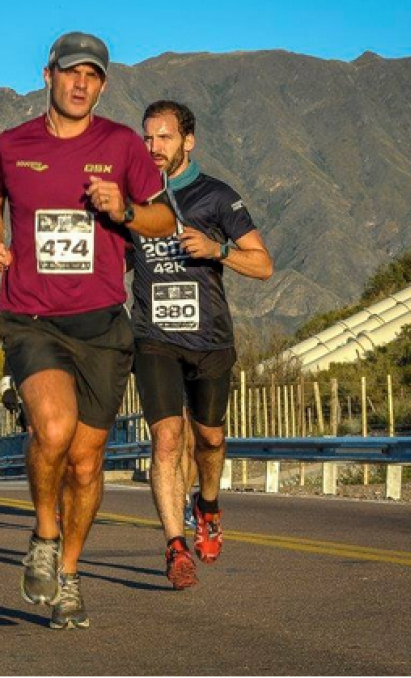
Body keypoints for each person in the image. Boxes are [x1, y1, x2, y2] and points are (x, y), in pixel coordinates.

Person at [0, 32, 175, 629]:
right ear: (48, 76)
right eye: (70, 72)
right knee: (53, 430)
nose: (80, 83)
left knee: (87, 465)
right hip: (32, 318)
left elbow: (164, 218)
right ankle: (43, 534)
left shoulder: (121, 146)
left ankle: (69, 576)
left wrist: (125, 210)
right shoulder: (11, 146)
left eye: (92, 75)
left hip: (103, 326)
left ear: (103, 85)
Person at [134, 100, 273, 589]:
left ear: (188, 141)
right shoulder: (135, 202)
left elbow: (263, 263)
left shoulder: (216, 197)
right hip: (153, 340)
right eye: (148, 138)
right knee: (167, 441)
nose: (154, 148)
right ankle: (174, 547)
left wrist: (219, 250)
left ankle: (208, 505)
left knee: (210, 438)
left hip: (210, 340)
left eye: (164, 137)